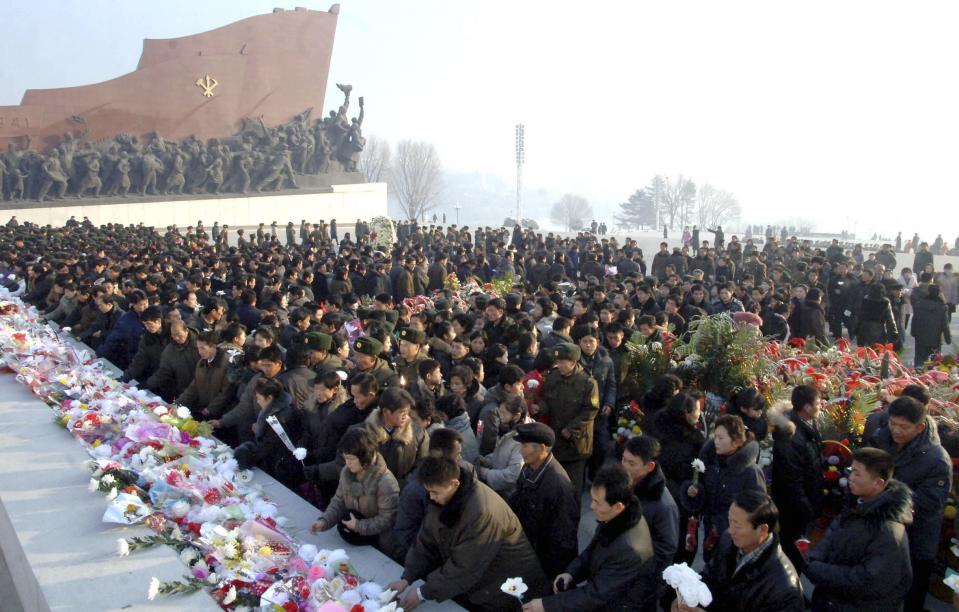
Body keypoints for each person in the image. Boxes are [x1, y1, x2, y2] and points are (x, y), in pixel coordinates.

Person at [390, 456, 548, 611]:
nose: (431, 497)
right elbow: (427, 540)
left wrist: (422, 593)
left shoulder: (482, 512)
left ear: (454, 484)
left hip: (508, 589)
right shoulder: (441, 497)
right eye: (428, 491)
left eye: (435, 492)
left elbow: (464, 566)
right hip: (482, 585)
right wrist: (407, 578)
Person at [522, 463, 657, 612]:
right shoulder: (616, 517)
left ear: (618, 506)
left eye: (597, 502)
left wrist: (546, 605)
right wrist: (571, 573)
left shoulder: (629, 550)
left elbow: (594, 594)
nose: (591, 506)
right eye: (592, 499)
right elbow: (592, 550)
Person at [803, 447, 914, 612]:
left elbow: (867, 579)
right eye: (851, 471)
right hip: (832, 598)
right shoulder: (857, 503)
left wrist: (818, 570)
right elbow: (832, 534)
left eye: (857, 474)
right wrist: (814, 557)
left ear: (878, 483)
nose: (850, 478)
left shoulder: (888, 530)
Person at [868, 396, 952, 612]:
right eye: (892, 423)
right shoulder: (882, 439)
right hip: (880, 531)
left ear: (920, 427)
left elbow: (929, 503)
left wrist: (884, 494)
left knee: (911, 596)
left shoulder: (937, 459)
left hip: (915, 539)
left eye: (903, 427)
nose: (896, 430)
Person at [674, 491, 804, 612]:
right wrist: (687, 599)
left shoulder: (785, 588)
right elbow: (709, 577)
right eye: (729, 520)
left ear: (763, 530)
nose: (731, 530)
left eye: (737, 525)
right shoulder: (729, 541)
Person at [680, 414, 765, 559]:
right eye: (715, 437)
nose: (716, 442)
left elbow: (760, 510)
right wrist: (694, 492)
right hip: (710, 533)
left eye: (721, 438)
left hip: (735, 539)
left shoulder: (750, 471)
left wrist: (729, 524)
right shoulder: (711, 461)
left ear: (736, 441)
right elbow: (706, 492)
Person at [309, 428, 400, 557]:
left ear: (365, 457)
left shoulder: (385, 483)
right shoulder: (347, 473)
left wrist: (359, 526)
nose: (347, 463)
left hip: (378, 546)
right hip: (352, 536)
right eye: (345, 458)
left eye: (351, 459)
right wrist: (323, 521)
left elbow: (387, 519)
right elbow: (339, 502)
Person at [508, 422, 580, 581]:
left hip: (544, 564)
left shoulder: (559, 486)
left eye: (525, 446)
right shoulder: (530, 467)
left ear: (541, 448)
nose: (521, 450)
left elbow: (564, 538)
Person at [770, 384, 824, 570]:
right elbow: (791, 479)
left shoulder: (807, 424)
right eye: (818, 403)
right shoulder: (790, 435)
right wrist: (807, 508)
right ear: (807, 407)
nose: (821, 406)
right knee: (792, 550)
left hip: (804, 502)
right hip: (793, 507)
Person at [539, 342, 600, 496]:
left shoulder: (588, 383)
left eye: (561, 362)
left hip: (576, 444)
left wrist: (571, 428)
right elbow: (546, 399)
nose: (558, 365)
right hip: (555, 441)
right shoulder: (553, 377)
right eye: (557, 361)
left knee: (572, 488)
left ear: (573, 363)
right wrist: (539, 407)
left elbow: (591, 410)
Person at [621, 435, 679, 575]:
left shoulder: (663, 505)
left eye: (632, 463)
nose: (624, 466)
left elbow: (664, 552)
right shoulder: (622, 484)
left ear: (650, 466)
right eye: (623, 459)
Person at [911, 284, 952, 367]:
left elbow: (914, 320)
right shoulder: (942, 307)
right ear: (938, 293)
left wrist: (913, 332)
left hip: (920, 337)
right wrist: (948, 339)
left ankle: (918, 375)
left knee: (919, 359)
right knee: (935, 361)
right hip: (935, 339)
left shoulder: (919, 304)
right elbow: (945, 325)